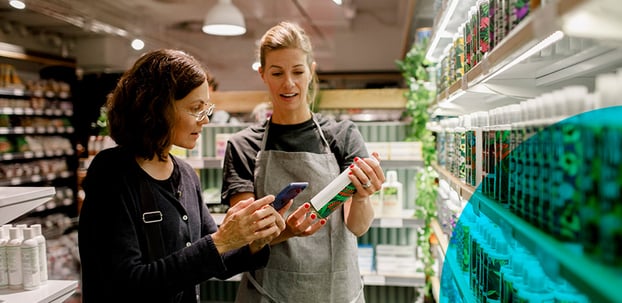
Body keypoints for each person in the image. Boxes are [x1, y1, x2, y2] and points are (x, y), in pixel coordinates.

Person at [78, 49, 287, 303]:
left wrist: (255, 241)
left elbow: (216, 258)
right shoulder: (112, 174)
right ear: (157, 108)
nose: (205, 120)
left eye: (206, 108)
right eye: (196, 108)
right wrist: (221, 241)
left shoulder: (186, 175)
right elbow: (128, 282)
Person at [221, 21, 386, 303]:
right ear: (262, 74)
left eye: (298, 71)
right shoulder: (243, 146)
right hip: (267, 292)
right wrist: (287, 231)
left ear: (311, 70)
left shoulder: (342, 137)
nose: (289, 83)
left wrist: (361, 196)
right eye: (277, 72)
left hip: (335, 292)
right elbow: (245, 238)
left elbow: (357, 227)